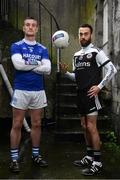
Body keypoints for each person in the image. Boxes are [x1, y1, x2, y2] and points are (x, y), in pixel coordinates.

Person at [60, 24, 117, 176]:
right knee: (84, 126)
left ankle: (97, 162)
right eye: (80, 34)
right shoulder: (76, 55)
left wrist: (99, 87)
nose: (83, 36)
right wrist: (66, 73)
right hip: (80, 95)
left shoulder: (96, 52)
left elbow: (112, 69)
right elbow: (76, 77)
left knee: (92, 127)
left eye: (86, 34)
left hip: (91, 95)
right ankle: (89, 156)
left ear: (91, 35)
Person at [9, 17, 51, 172]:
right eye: (28, 25)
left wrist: (28, 65)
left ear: (37, 29)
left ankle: (35, 155)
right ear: (23, 27)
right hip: (21, 89)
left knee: (37, 124)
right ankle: (14, 159)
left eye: (33, 25)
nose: (30, 27)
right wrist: (38, 64)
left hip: (38, 90)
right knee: (17, 124)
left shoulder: (42, 49)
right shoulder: (16, 46)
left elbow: (47, 69)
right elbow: (18, 65)